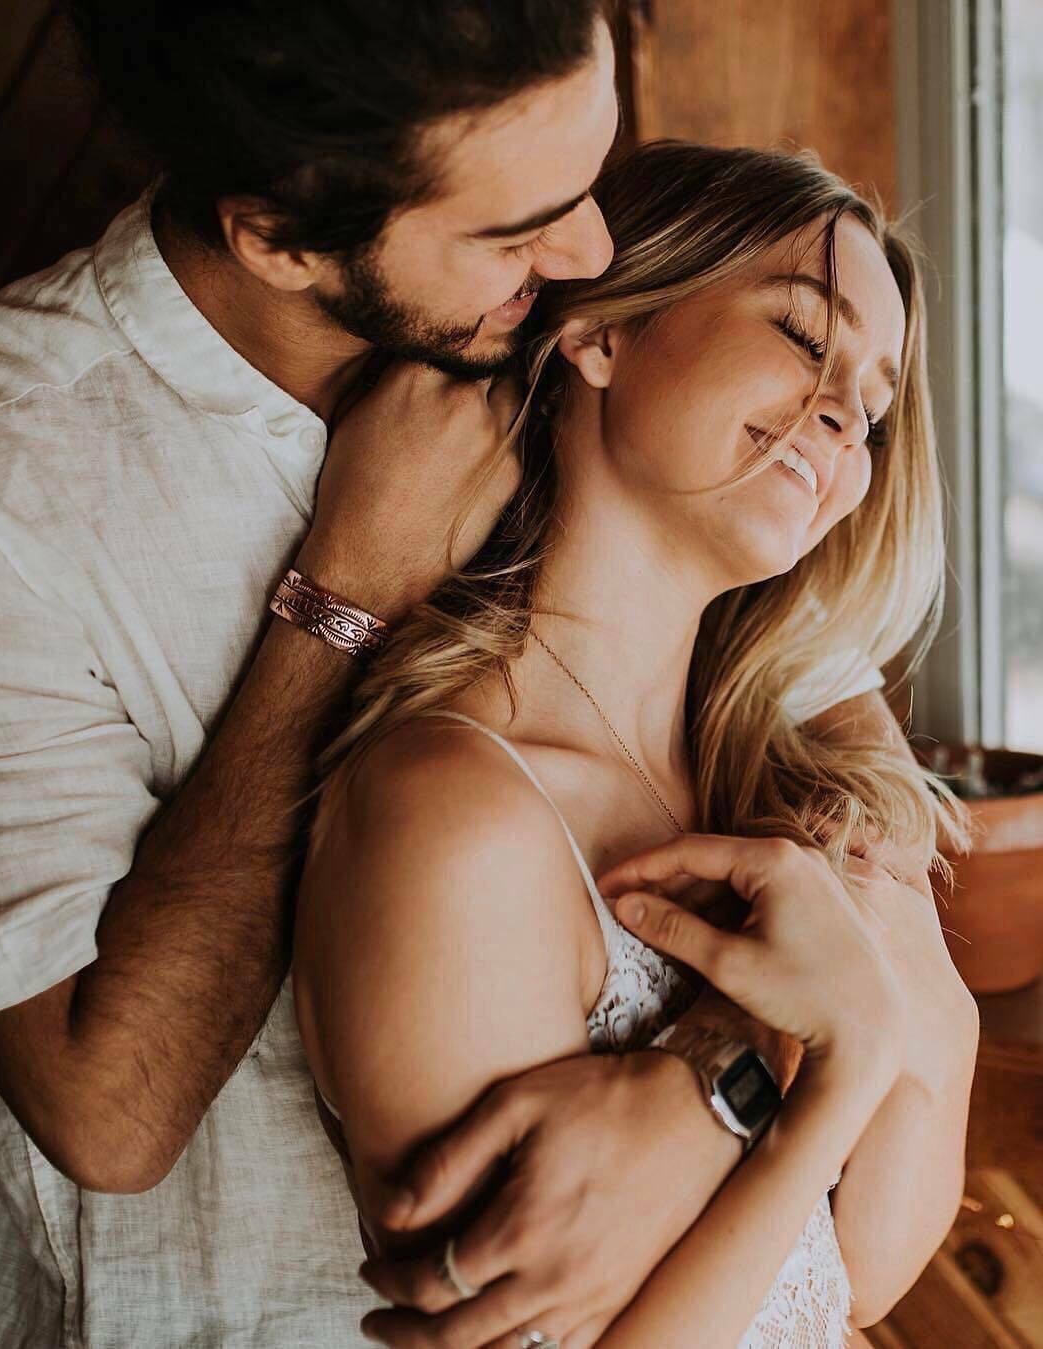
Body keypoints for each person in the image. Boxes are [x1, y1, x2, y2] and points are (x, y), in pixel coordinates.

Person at [293, 141, 980, 1347]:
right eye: (803, 333)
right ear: (602, 333)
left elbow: (862, 1270)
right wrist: (838, 1060)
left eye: (874, 409)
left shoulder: (794, 794)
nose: (842, 418)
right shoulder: (453, 814)